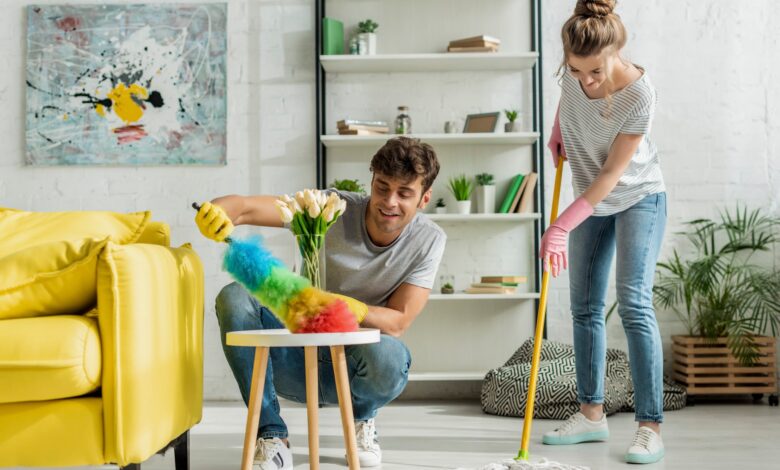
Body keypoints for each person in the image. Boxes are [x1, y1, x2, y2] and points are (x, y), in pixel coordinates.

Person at [195, 136, 446, 469]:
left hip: (357, 369)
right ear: (371, 181)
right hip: (294, 359)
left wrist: (347, 307)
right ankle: (271, 435)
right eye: (382, 188)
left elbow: (398, 320)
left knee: (391, 356)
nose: (389, 201)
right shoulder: (330, 208)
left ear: (424, 198)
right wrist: (219, 211)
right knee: (234, 296)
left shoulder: (428, 240)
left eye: (404, 193)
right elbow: (244, 207)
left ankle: (362, 417)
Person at [539, 0, 667, 465]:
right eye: (576, 71)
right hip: (587, 200)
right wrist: (558, 129)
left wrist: (558, 228)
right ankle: (591, 414)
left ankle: (650, 425)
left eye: (595, 72)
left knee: (632, 303)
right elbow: (568, 99)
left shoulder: (640, 95)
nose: (586, 81)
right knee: (585, 308)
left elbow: (611, 177)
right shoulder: (573, 71)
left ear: (617, 50)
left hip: (636, 197)